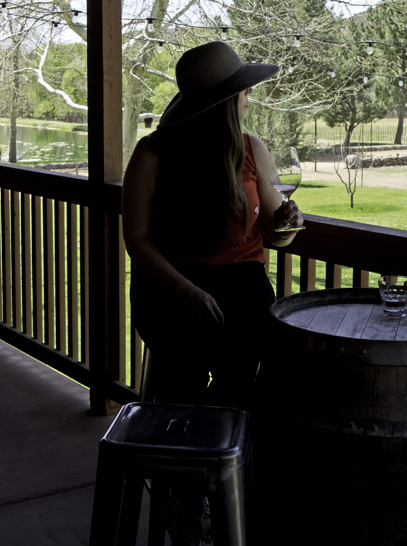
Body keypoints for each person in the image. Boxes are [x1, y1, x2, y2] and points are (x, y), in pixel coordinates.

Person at [123, 41, 303, 411]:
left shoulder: (253, 150)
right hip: (171, 291)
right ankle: (182, 454)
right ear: (226, 101)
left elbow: (273, 232)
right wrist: (189, 293)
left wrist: (287, 223)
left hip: (242, 295)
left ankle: (219, 456)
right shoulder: (152, 154)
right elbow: (137, 239)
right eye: (244, 91)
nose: (249, 97)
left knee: (235, 390)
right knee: (179, 392)